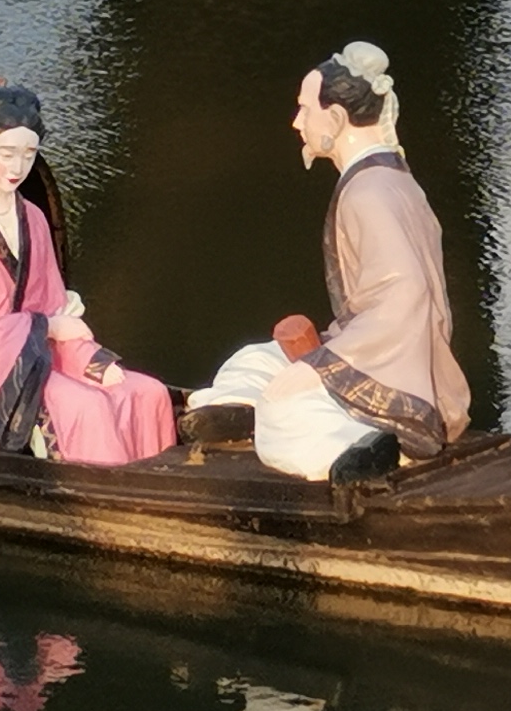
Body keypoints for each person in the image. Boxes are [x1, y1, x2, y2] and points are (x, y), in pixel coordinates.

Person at [190, 47, 472, 482]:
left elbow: (406, 296)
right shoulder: (391, 178)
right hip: (374, 350)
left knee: (282, 417)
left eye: (305, 109)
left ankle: (362, 448)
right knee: (256, 360)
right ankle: (237, 408)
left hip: (399, 375)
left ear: (336, 119)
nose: (296, 122)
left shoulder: (369, 193)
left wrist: (323, 365)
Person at [0, 81, 177, 465]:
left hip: (38, 354)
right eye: (6, 153)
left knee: (146, 392)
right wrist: (47, 328)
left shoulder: (32, 218)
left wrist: (89, 358)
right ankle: (97, 503)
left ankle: (160, 484)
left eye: (28, 154)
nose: (17, 167)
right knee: (84, 407)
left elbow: (55, 306)